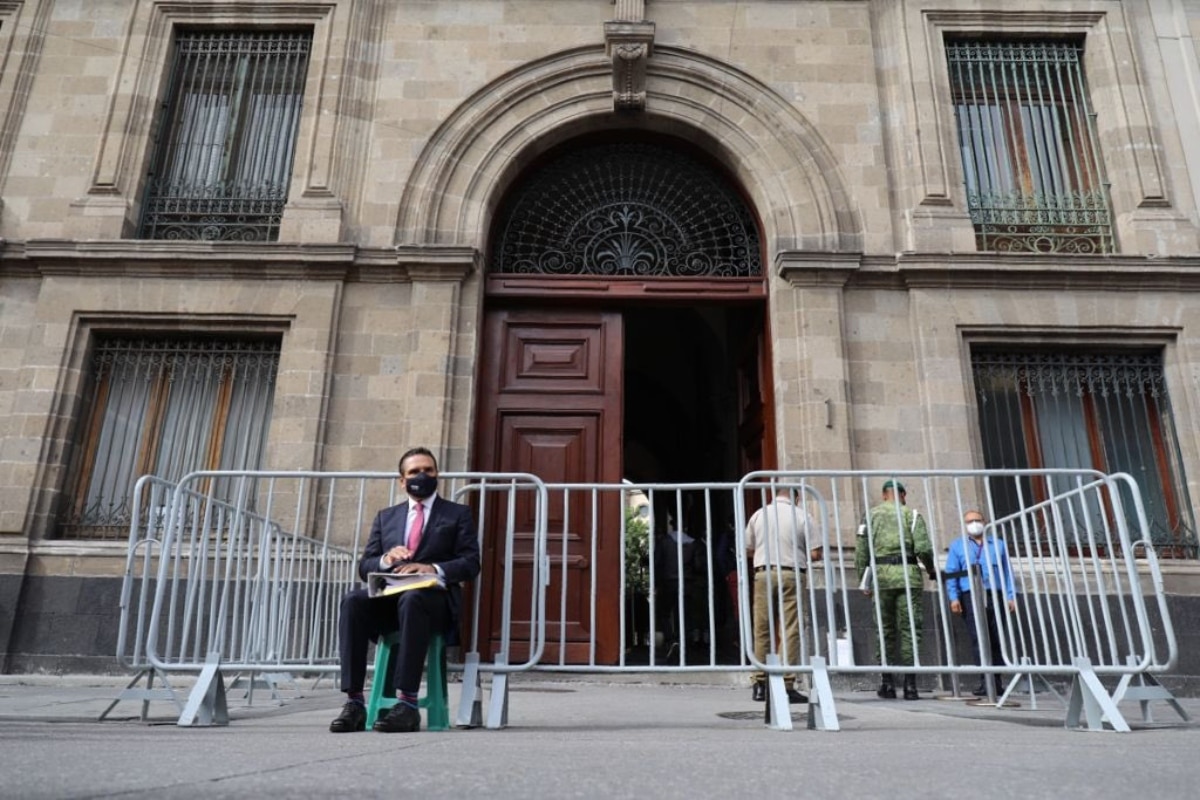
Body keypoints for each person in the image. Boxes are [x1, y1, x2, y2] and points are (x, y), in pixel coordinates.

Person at [329, 447, 481, 733]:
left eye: (428, 470)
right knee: (352, 600)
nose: (422, 476)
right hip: (390, 602)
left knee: (413, 599)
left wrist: (431, 568)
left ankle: (407, 703)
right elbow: (366, 565)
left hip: (433, 605)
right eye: (414, 472)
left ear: (438, 475)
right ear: (402, 480)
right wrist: (387, 559)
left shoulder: (457, 514)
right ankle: (354, 702)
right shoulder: (387, 517)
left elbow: (471, 563)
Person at [855, 480, 935, 701]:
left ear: (883, 495)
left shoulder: (870, 516)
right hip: (908, 577)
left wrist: (864, 579)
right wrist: (930, 569)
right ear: (903, 495)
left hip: (882, 578)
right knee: (910, 629)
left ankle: (887, 683)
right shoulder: (913, 515)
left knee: (884, 629)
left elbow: (861, 550)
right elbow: (923, 548)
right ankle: (911, 686)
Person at [745, 487, 813, 704]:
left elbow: (748, 549)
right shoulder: (802, 515)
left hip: (763, 574)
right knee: (790, 628)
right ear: (796, 498)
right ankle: (786, 683)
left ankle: (760, 683)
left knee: (762, 628)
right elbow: (816, 552)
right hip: (792, 574)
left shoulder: (759, 514)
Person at [944, 507, 1016, 697]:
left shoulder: (998, 545)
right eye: (969, 521)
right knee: (978, 638)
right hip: (970, 595)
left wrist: (1011, 596)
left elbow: (1007, 572)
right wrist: (954, 598)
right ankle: (985, 680)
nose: (973, 524)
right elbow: (951, 573)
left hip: (994, 593)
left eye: (976, 520)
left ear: (984, 522)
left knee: (995, 637)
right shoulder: (958, 546)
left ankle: (997, 680)